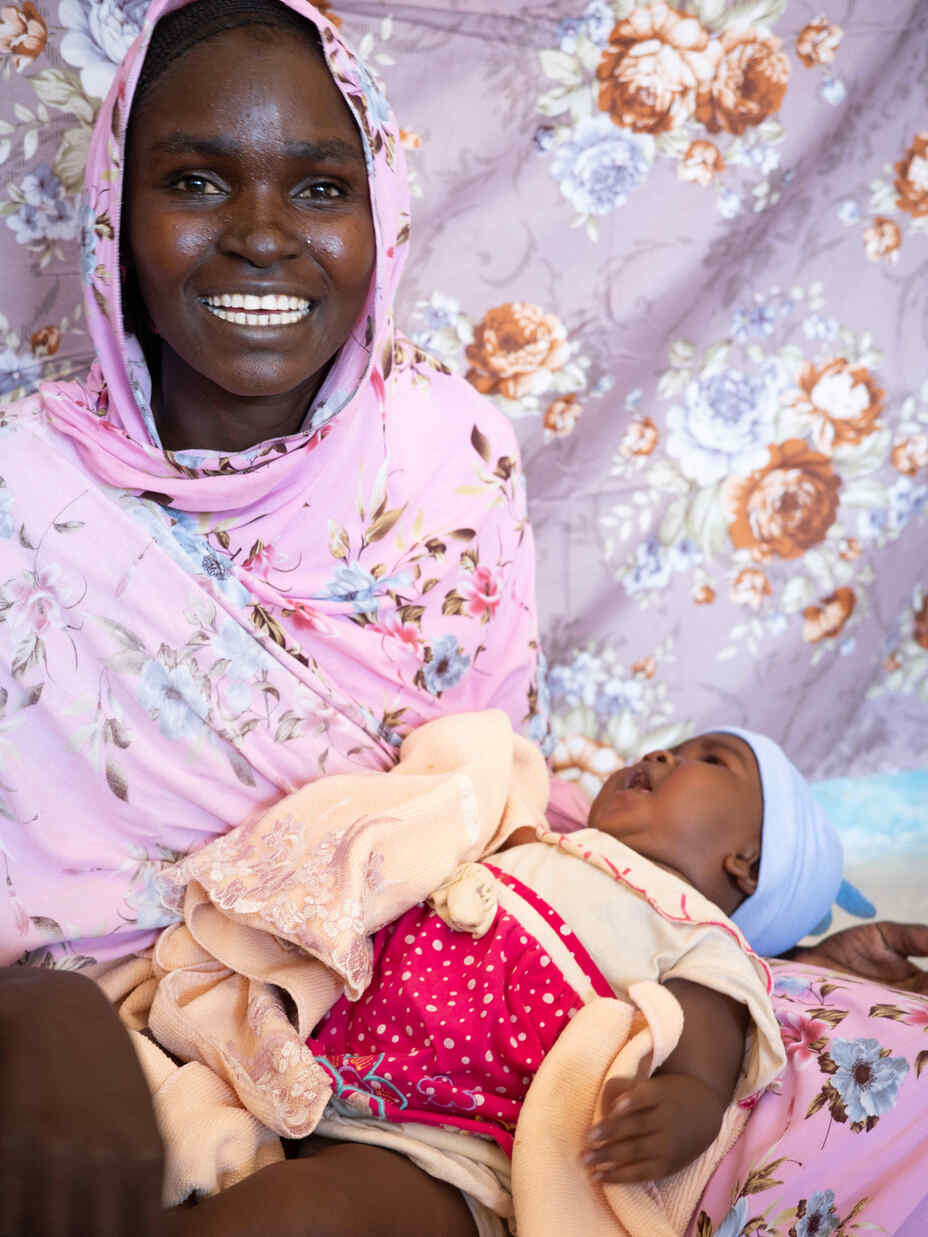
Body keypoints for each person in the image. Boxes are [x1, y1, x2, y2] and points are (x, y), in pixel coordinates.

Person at [0, 0, 925, 1234]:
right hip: (124, 1032)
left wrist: (768, 948)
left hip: (438, 1053)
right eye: (197, 180)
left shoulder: (447, 455)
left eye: (322, 190)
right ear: (117, 214)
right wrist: (37, 1012)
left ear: (381, 213)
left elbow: (486, 817)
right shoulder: (24, 496)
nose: (264, 236)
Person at [304, 726, 837, 1191]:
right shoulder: (545, 836)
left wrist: (682, 1110)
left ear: (748, 860)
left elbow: (702, 1074)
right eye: (670, 747)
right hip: (316, 1064)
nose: (659, 754)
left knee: (305, 1211)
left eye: (711, 759)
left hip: (449, 1144)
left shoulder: (702, 936)